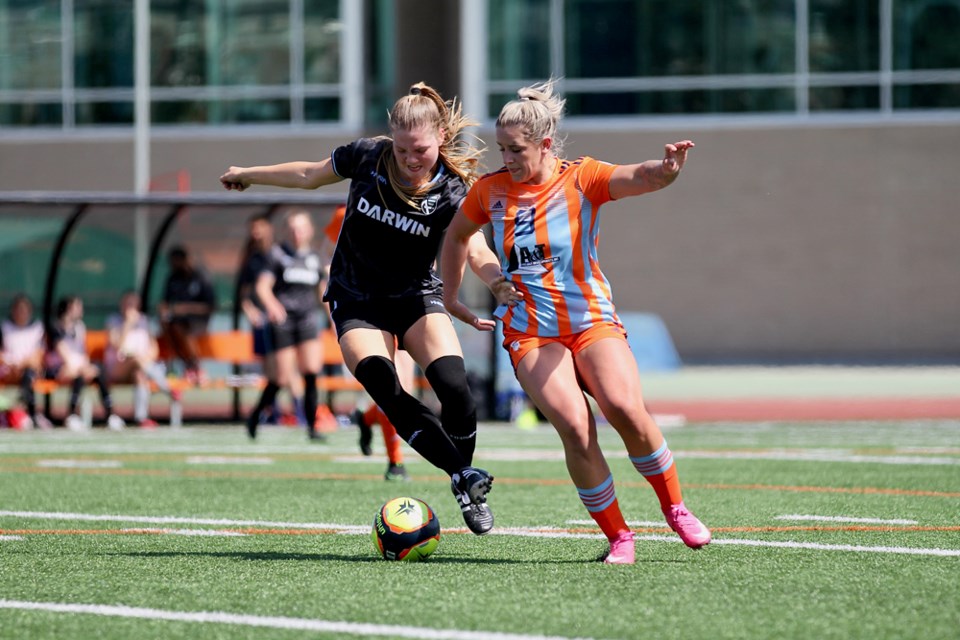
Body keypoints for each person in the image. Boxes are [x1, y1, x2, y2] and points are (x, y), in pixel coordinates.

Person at [220, 82, 509, 535]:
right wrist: (250, 173)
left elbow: (473, 246)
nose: (411, 159)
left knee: (456, 391)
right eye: (403, 148)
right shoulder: (368, 156)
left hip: (416, 296)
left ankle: (460, 476)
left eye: (422, 150)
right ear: (390, 138)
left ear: (440, 140)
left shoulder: (453, 188)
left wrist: (495, 279)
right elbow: (309, 174)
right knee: (383, 383)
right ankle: (463, 476)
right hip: (356, 298)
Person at [441, 79, 711, 563]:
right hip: (529, 331)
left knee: (625, 408)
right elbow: (457, 236)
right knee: (574, 426)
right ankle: (619, 537)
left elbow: (641, 177)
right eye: (502, 149)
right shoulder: (490, 191)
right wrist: (454, 295)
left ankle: (675, 507)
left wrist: (667, 170)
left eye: (517, 149)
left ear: (545, 144)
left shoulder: (582, 177)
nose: (508, 158)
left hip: (591, 322)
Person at [321, 203, 411, 481]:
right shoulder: (346, 212)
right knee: (390, 388)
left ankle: (366, 418)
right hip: (367, 311)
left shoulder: (416, 205)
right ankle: (396, 462)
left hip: (407, 306)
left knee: (403, 395)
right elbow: (327, 260)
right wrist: (335, 309)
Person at [243, 209, 326, 442]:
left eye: (301, 228)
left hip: (307, 319)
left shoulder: (314, 258)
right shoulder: (278, 254)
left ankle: (312, 426)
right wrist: (273, 306)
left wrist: (334, 316)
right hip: (284, 322)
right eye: (292, 229)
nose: (297, 233)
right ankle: (256, 416)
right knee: (280, 377)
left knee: (311, 371)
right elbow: (262, 287)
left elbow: (322, 292)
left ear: (310, 231)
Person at [239, 212, 306, 427]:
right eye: (253, 228)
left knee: (289, 370)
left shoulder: (280, 253)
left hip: (285, 321)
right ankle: (273, 414)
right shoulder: (251, 258)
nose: (256, 232)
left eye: (259, 227)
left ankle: (301, 415)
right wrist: (251, 312)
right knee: (272, 370)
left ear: (269, 228)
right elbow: (245, 293)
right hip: (264, 323)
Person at [46, 295, 125, 431]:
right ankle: (71, 415)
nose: (80, 309)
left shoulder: (79, 327)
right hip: (57, 368)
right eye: (77, 306)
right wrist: (80, 367)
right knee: (80, 374)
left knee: (97, 373)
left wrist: (86, 367)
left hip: (77, 367)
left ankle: (110, 415)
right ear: (69, 308)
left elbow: (83, 353)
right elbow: (63, 353)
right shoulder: (55, 327)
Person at [104, 290, 181, 428]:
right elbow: (118, 346)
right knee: (136, 359)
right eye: (127, 303)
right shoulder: (113, 321)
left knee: (139, 375)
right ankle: (167, 388)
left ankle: (141, 418)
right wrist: (127, 324)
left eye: (133, 304)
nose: (130, 307)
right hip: (118, 367)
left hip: (141, 366)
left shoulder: (145, 321)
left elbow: (154, 349)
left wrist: (146, 357)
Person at [158, 245, 216, 385]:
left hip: (198, 321)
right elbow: (164, 302)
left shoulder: (201, 277)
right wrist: (164, 310)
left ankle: (196, 367)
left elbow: (210, 306)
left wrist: (186, 309)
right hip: (178, 322)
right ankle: (187, 365)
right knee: (169, 326)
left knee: (184, 330)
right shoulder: (173, 278)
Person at [0, 294, 52, 429]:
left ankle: (30, 413)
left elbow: (39, 354)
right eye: (18, 309)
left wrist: (22, 364)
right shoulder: (4, 327)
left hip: (30, 369)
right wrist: (9, 364)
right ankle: (23, 413)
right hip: (8, 369)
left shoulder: (37, 328)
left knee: (28, 373)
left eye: (24, 310)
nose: (21, 313)